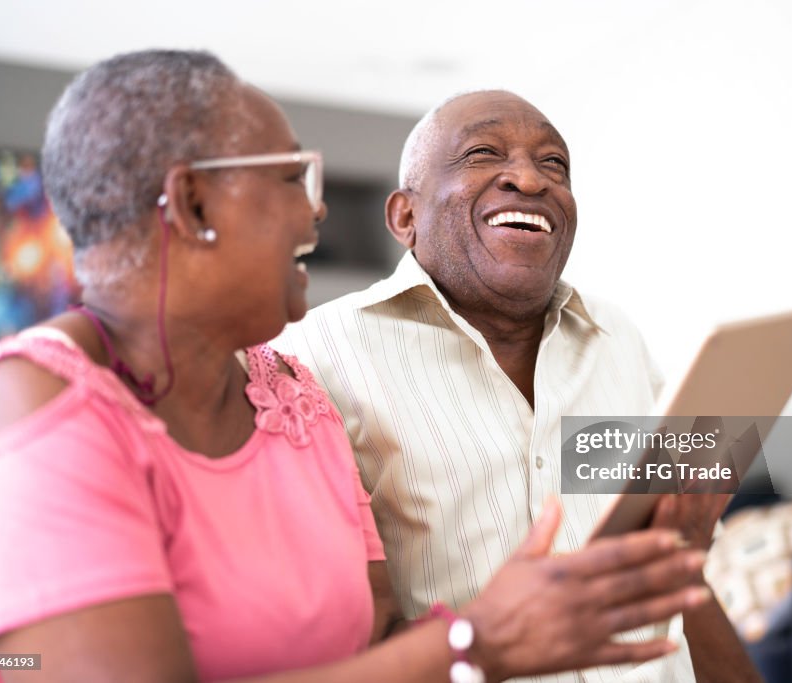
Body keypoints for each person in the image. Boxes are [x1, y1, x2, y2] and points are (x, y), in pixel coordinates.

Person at [0, 51, 712, 683]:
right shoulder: (30, 399)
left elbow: (374, 635)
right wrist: (475, 643)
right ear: (192, 205)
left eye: (555, 163)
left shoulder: (292, 398)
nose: (317, 211)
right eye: (292, 178)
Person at [273, 90, 762, 683]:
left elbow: (675, 578)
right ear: (405, 216)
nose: (530, 180)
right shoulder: (312, 357)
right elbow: (338, 635)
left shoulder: (619, 339)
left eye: (554, 163)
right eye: (483, 153)